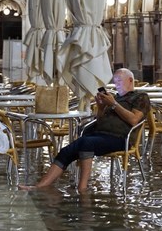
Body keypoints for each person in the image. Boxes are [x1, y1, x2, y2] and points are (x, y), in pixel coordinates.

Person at [19, 68, 150, 191]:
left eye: (119, 81)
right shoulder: (114, 98)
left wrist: (114, 105)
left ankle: (82, 188)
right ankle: (40, 186)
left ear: (130, 80)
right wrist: (100, 107)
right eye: (115, 82)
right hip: (100, 135)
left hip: (121, 138)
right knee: (67, 151)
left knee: (86, 143)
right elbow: (100, 121)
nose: (116, 85)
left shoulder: (140, 97)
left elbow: (133, 120)